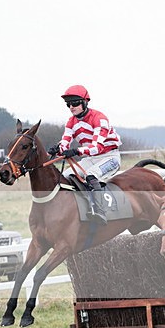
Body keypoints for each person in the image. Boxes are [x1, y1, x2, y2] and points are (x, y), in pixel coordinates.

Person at [48, 85, 122, 224]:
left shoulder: (99, 118)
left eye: (75, 103)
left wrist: (76, 151)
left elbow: (97, 147)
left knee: (91, 175)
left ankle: (100, 211)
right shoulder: (71, 122)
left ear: (85, 102)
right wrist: (58, 148)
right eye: (68, 104)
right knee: (64, 177)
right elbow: (65, 141)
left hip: (109, 157)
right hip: (90, 159)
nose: (71, 107)